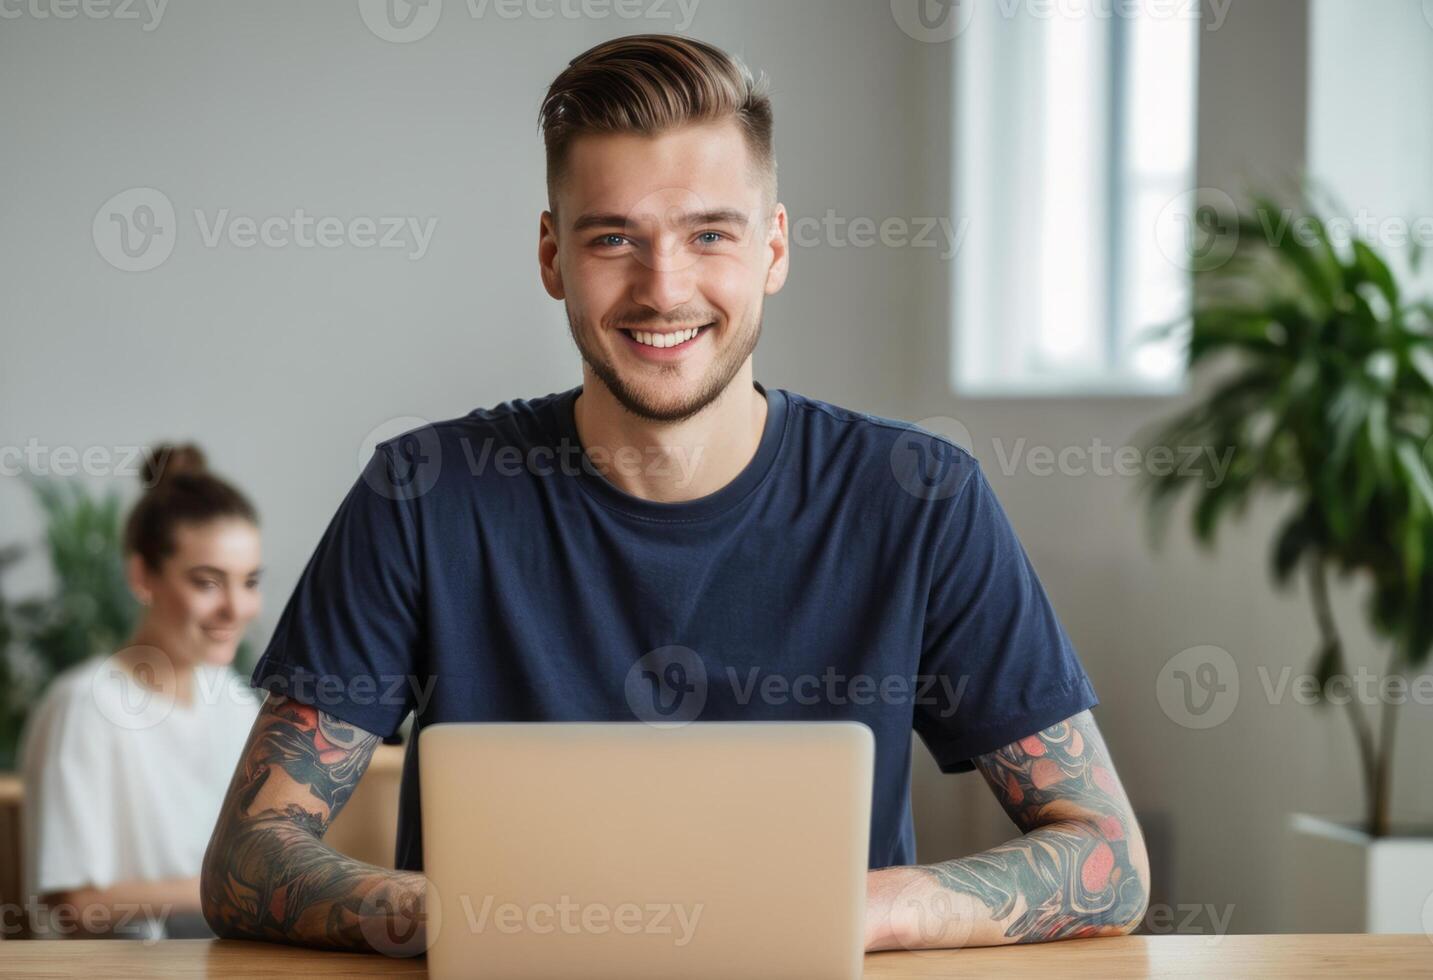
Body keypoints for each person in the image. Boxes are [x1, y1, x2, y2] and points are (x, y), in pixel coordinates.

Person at [201, 34, 1150, 954]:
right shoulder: (420, 494)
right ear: (551, 257)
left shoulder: (917, 498)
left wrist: (869, 910)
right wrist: (457, 912)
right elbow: (249, 856)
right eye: (614, 237)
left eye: (709, 235)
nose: (664, 288)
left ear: (772, 249)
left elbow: (1108, 854)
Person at [20, 443, 263, 939]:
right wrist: (243, 894)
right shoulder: (86, 705)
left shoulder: (235, 700)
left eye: (250, 582)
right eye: (208, 582)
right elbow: (76, 905)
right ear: (142, 576)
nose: (236, 609)